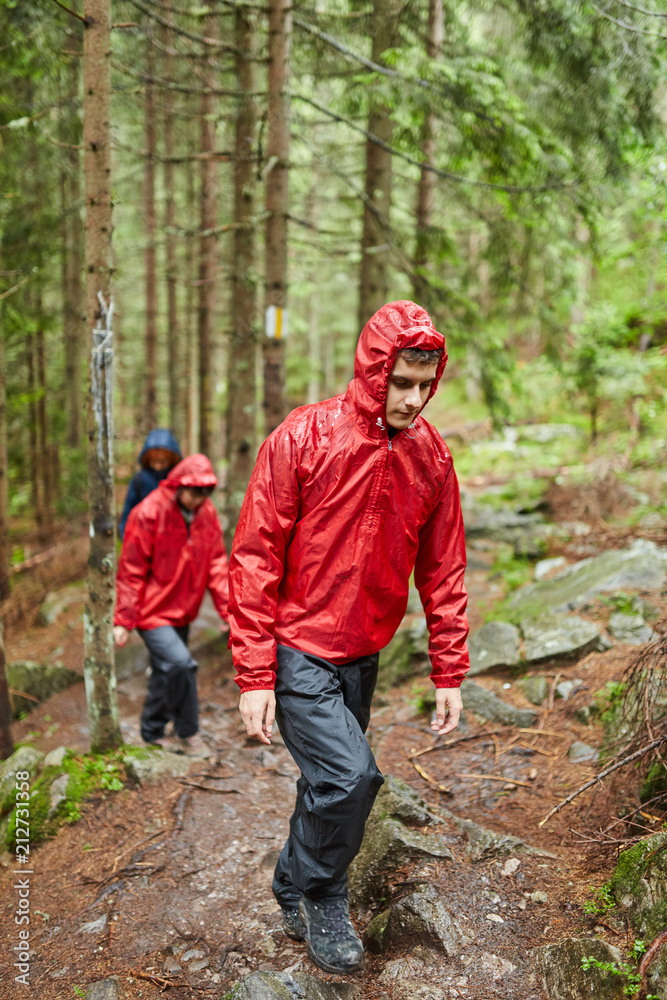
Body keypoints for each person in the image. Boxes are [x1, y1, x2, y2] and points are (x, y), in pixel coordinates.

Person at [228, 300, 470, 974]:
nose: (413, 400)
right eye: (401, 383)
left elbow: (443, 565)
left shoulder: (431, 458)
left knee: (326, 783)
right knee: (350, 779)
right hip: (297, 645)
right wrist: (253, 674)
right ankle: (321, 894)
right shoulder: (303, 437)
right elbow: (253, 557)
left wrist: (448, 668)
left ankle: (288, 877)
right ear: (373, 372)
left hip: (363, 652)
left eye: (425, 385)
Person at [113, 454, 229, 759]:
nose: (199, 499)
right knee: (180, 664)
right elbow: (131, 571)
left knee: (167, 671)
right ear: (178, 485)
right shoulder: (148, 512)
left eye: (206, 493)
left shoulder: (206, 513)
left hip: (184, 609)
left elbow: (217, 563)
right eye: (194, 492)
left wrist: (229, 612)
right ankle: (188, 732)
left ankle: (151, 732)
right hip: (152, 612)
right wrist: (123, 620)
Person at [118, 428, 182, 539]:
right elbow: (128, 513)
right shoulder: (139, 480)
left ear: (171, 460)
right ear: (147, 459)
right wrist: (127, 538)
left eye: (162, 461)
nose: (158, 466)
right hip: (144, 540)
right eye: (154, 461)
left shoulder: (178, 481)